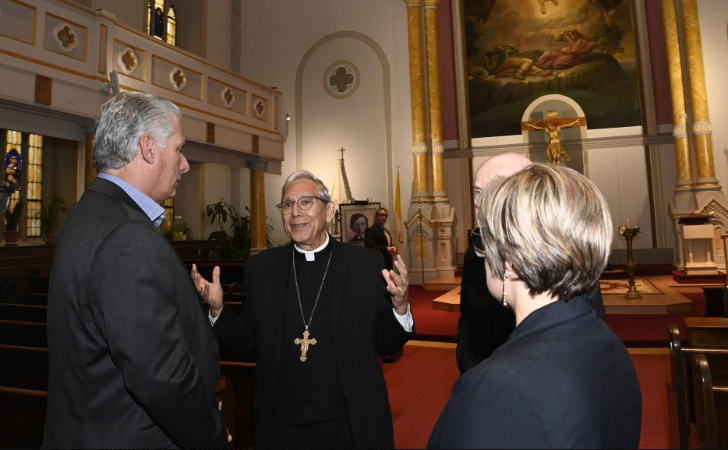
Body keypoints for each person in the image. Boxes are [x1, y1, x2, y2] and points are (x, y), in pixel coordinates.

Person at [44, 92, 229, 448]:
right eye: (179, 148)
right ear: (148, 148)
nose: (186, 164)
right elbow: (162, 377)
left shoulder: (90, 212)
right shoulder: (127, 234)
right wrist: (212, 433)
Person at [194, 171, 414, 448]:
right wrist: (218, 311)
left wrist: (401, 306)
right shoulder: (262, 269)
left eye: (305, 202)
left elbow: (385, 342)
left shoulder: (365, 264)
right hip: (282, 424)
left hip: (351, 422)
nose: (295, 212)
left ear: (330, 211)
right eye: (287, 204)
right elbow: (251, 344)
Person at [429, 164, 642, 448]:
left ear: (511, 263)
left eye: (483, 242)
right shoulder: (609, 343)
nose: (480, 255)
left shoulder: (493, 387)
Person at [457, 153, 606, 374]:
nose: (481, 203)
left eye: (497, 190)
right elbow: (467, 323)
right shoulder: (475, 253)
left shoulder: (565, 259)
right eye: (478, 191)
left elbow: (588, 335)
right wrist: (477, 375)